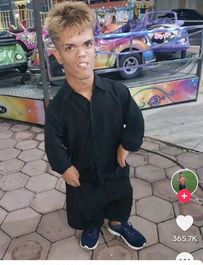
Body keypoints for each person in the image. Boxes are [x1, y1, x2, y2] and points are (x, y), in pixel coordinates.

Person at [45, 2, 146, 250]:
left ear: (95, 45)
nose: (81, 54)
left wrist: (127, 144)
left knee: (120, 197)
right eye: (70, 47)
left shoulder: (117, 92)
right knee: (86, 203)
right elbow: (52, 141)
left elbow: (135, 119)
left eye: (87, 44)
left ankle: (117, 223)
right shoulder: (58, 106)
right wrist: (65, 167)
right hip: (83, 173)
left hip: (115, 167)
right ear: (58, 54)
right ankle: (91, 225)